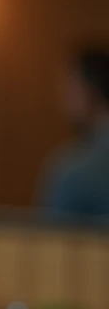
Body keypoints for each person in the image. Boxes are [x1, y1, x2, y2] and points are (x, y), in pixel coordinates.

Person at [39, 48, 109, 220]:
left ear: (90, 90)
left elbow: (49, 243)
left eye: (69, 84)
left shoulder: (72, 170)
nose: (62, 96)